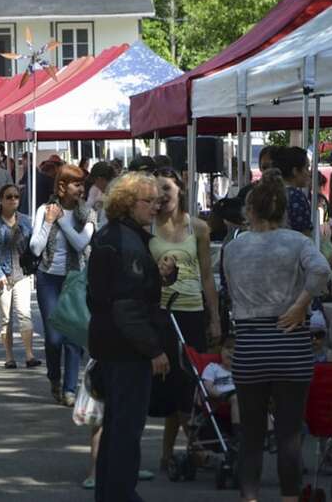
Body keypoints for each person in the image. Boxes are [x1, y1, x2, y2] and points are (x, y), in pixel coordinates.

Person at [223, 168, 330, 502]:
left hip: (251, 343)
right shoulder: (297, 241)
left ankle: (250, 497)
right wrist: (301, 304)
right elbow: (322, 269)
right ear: (283, 211)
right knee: (289, 433)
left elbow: (230, 291)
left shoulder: (233, 249)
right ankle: (289, 497)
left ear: (248, 211)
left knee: (251, 435)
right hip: (290, 342)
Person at [87, 172, 174, 502]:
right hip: (125, 348)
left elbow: (119, 293)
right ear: (128, 203)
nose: (155, 207)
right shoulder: (126, 241)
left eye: (157, 201)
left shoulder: (116, 236)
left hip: (110, 342)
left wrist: (160, 275)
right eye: (148, 201)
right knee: (125, 428)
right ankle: (119, 493)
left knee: (116, 425)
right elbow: (126, 305)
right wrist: (153, 350)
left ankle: (111, 492)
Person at [150, 167, 220, 469]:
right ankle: (183, 450)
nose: (162, 196)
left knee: (189, 385)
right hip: (160, 314)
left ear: (179, 189)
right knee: (168, 386)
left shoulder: (199, 228)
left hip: (192, 312)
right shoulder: (146, 228)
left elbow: (207, 276)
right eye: (156, 190)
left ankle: (180, 451)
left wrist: (214, 316)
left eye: (166, 188)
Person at [30, 164, 96, 406]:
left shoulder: (87, 214)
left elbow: (81, 244)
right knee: (54, 338)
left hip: (75, 279)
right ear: (62, 186)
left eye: (82, 184)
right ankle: (54, 378)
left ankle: (69, 389)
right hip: (48, 278)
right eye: (77, 184)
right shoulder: (44, 210)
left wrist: (63, 222)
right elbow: (35, 248)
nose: (81, 189)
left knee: (74, 336)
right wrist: (49, 221)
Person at [0, 184, 39, 369]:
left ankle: (30, 355)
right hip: (2, 275)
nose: (13, 199)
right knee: (5, 318)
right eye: (9, 197)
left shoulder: (25, 220)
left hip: (22, 274)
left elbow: (33, 247)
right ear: (1, 200)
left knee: (25, 314)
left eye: (16, 196)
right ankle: (9, 357)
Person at [272, 146, 313, 237]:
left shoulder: (268, 192)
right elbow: (304, 234)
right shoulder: (296, 196)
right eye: (307, 168)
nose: (309, 173)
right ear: (295, 171)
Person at [201, 337, 240, 428]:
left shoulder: (241, 370)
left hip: (242, 396)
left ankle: (270, 436)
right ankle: (238, 433)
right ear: (221, 351)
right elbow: (208, 386)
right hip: (222, 397)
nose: (230, 352)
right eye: (228, 348)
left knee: (261, 401)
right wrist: (220, 394)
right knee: (236, 398)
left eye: (235, 349)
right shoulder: (213, 368)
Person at [85, 162, 115, 229]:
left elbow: (103, 226)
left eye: (94, 181)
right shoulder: (116, 189)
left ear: (100, 179)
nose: (95, 185)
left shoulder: (112, 195)